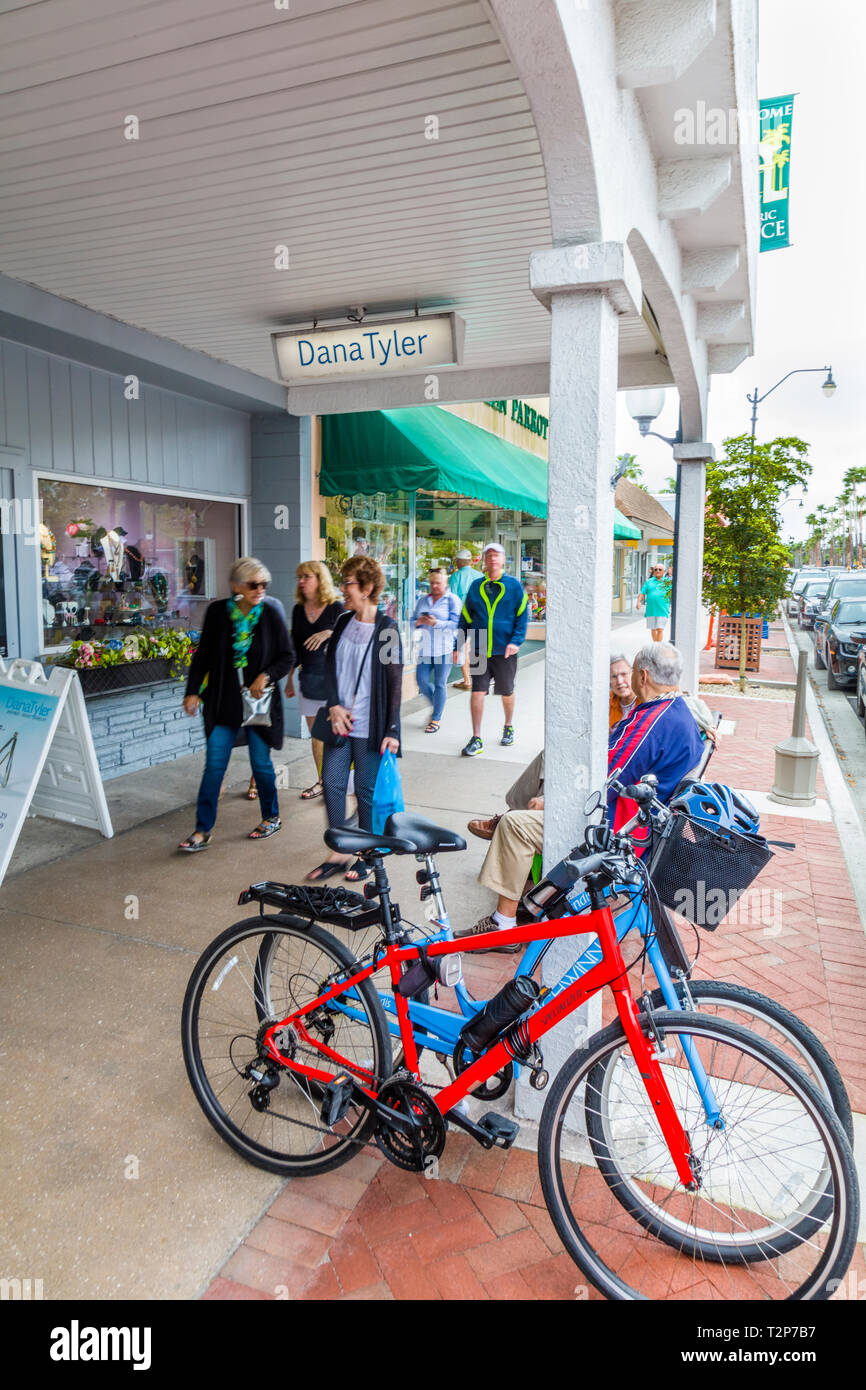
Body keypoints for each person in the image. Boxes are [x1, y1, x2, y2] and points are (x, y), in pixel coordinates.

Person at [179, 557, 295, 850]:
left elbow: (287, 656)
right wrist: (192, 691)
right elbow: (203, 655)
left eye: (264, 584)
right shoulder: (219, 612)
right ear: (236, 586)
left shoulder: (270, 613)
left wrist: (266, 676)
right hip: (223, 704)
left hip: (258, 705)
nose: (260, 590)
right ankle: (202, 830)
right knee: (214, 766)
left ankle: (271, 816)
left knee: (260, 763)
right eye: (253, 584)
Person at [307, 555, 402, 883]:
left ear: (368, 588)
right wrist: (333, 705)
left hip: (370, 725)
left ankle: (365, 854)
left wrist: (393, 729)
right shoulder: (344, 621)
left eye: (348, 583)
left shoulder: (387, 628)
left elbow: (394, 681)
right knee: (331, 783)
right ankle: (339, 850)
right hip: (340, 722)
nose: (343, 588)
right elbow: (330, 667)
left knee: (364, 790)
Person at [608, 643, 704, 829]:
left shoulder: (649, 723)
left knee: (532, 827)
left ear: (643, 676)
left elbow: (605, 779)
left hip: (626, 827)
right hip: (655, 822)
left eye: (632, 671)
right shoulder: (679, 710)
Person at [455, 542, 529, 755]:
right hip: (479, 648)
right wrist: (458, 644)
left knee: (506, 691)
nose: (493, 559)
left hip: (504, 650)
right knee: (477, 691)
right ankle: (476, 738)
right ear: (484, 561)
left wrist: (516, 641)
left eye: (497, 555)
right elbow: (465, 617)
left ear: (503, 559)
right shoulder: (476, 587)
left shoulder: (514, 586)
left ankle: (508, 726)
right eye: (489, 556)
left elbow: (522, 616)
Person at [286, 561, 344, 799]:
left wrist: (328, 632)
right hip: (308, 679)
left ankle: (339, 782)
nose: (301, 581)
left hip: (334, 681)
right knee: (317, 737)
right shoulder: (298, 610)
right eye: (299, 577)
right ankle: (323, 782)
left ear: (320, 579)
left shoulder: (335, 608)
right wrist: (289, 678)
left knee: (336, 737)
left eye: (306, 576)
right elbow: (294, 647)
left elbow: (348, 636)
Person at [412, 567, 461, 733]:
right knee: (421, 681)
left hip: (444, 649)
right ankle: (438, 705)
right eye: (432, 583)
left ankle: (436, 718)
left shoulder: (452, 600)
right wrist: (418, 622)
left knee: (440, 683)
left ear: (445, 583)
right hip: (425, 648)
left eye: (438, 583)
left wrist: (436, 623)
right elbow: (412, 622)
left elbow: (457, 624)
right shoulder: (423, 600)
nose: (434, 586)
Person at [448, 547, 483, 689]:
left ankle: (467, 680)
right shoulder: (480, 576)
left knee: (464, 648)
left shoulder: (456, 577)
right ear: (470, 562)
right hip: (480, 617)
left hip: (463, 618)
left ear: (458, 562)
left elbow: (452, 600)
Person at [636, 563, 671, 642]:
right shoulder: (649, 582)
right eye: (656, 569)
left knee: (660, 629)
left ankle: (657, 647)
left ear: (664, 571)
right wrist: (638, 602)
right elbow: (642, 593)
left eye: (660, 569)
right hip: (651, 609)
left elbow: (671, 595)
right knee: (653, 629)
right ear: (653, 571)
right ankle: (655, 645)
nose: (657, 571)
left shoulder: (667, 582)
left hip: (663, 609)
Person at [609, 651, 637, 727]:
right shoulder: (606, 703)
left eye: (624, 674)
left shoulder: (647, 701)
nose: (619, 681)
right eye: (614, 676)